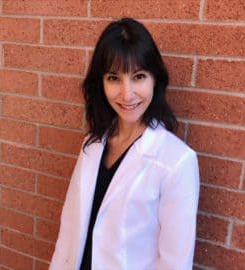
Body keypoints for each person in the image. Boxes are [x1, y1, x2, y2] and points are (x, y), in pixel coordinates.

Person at [50, 18, 200, 270]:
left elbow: (175, 263)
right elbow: (69, 230)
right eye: (113, 78)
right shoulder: (92, 144)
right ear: (102, 83)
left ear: (155, 79)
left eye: (138, 76)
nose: (127, 93)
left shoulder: (177, 162)